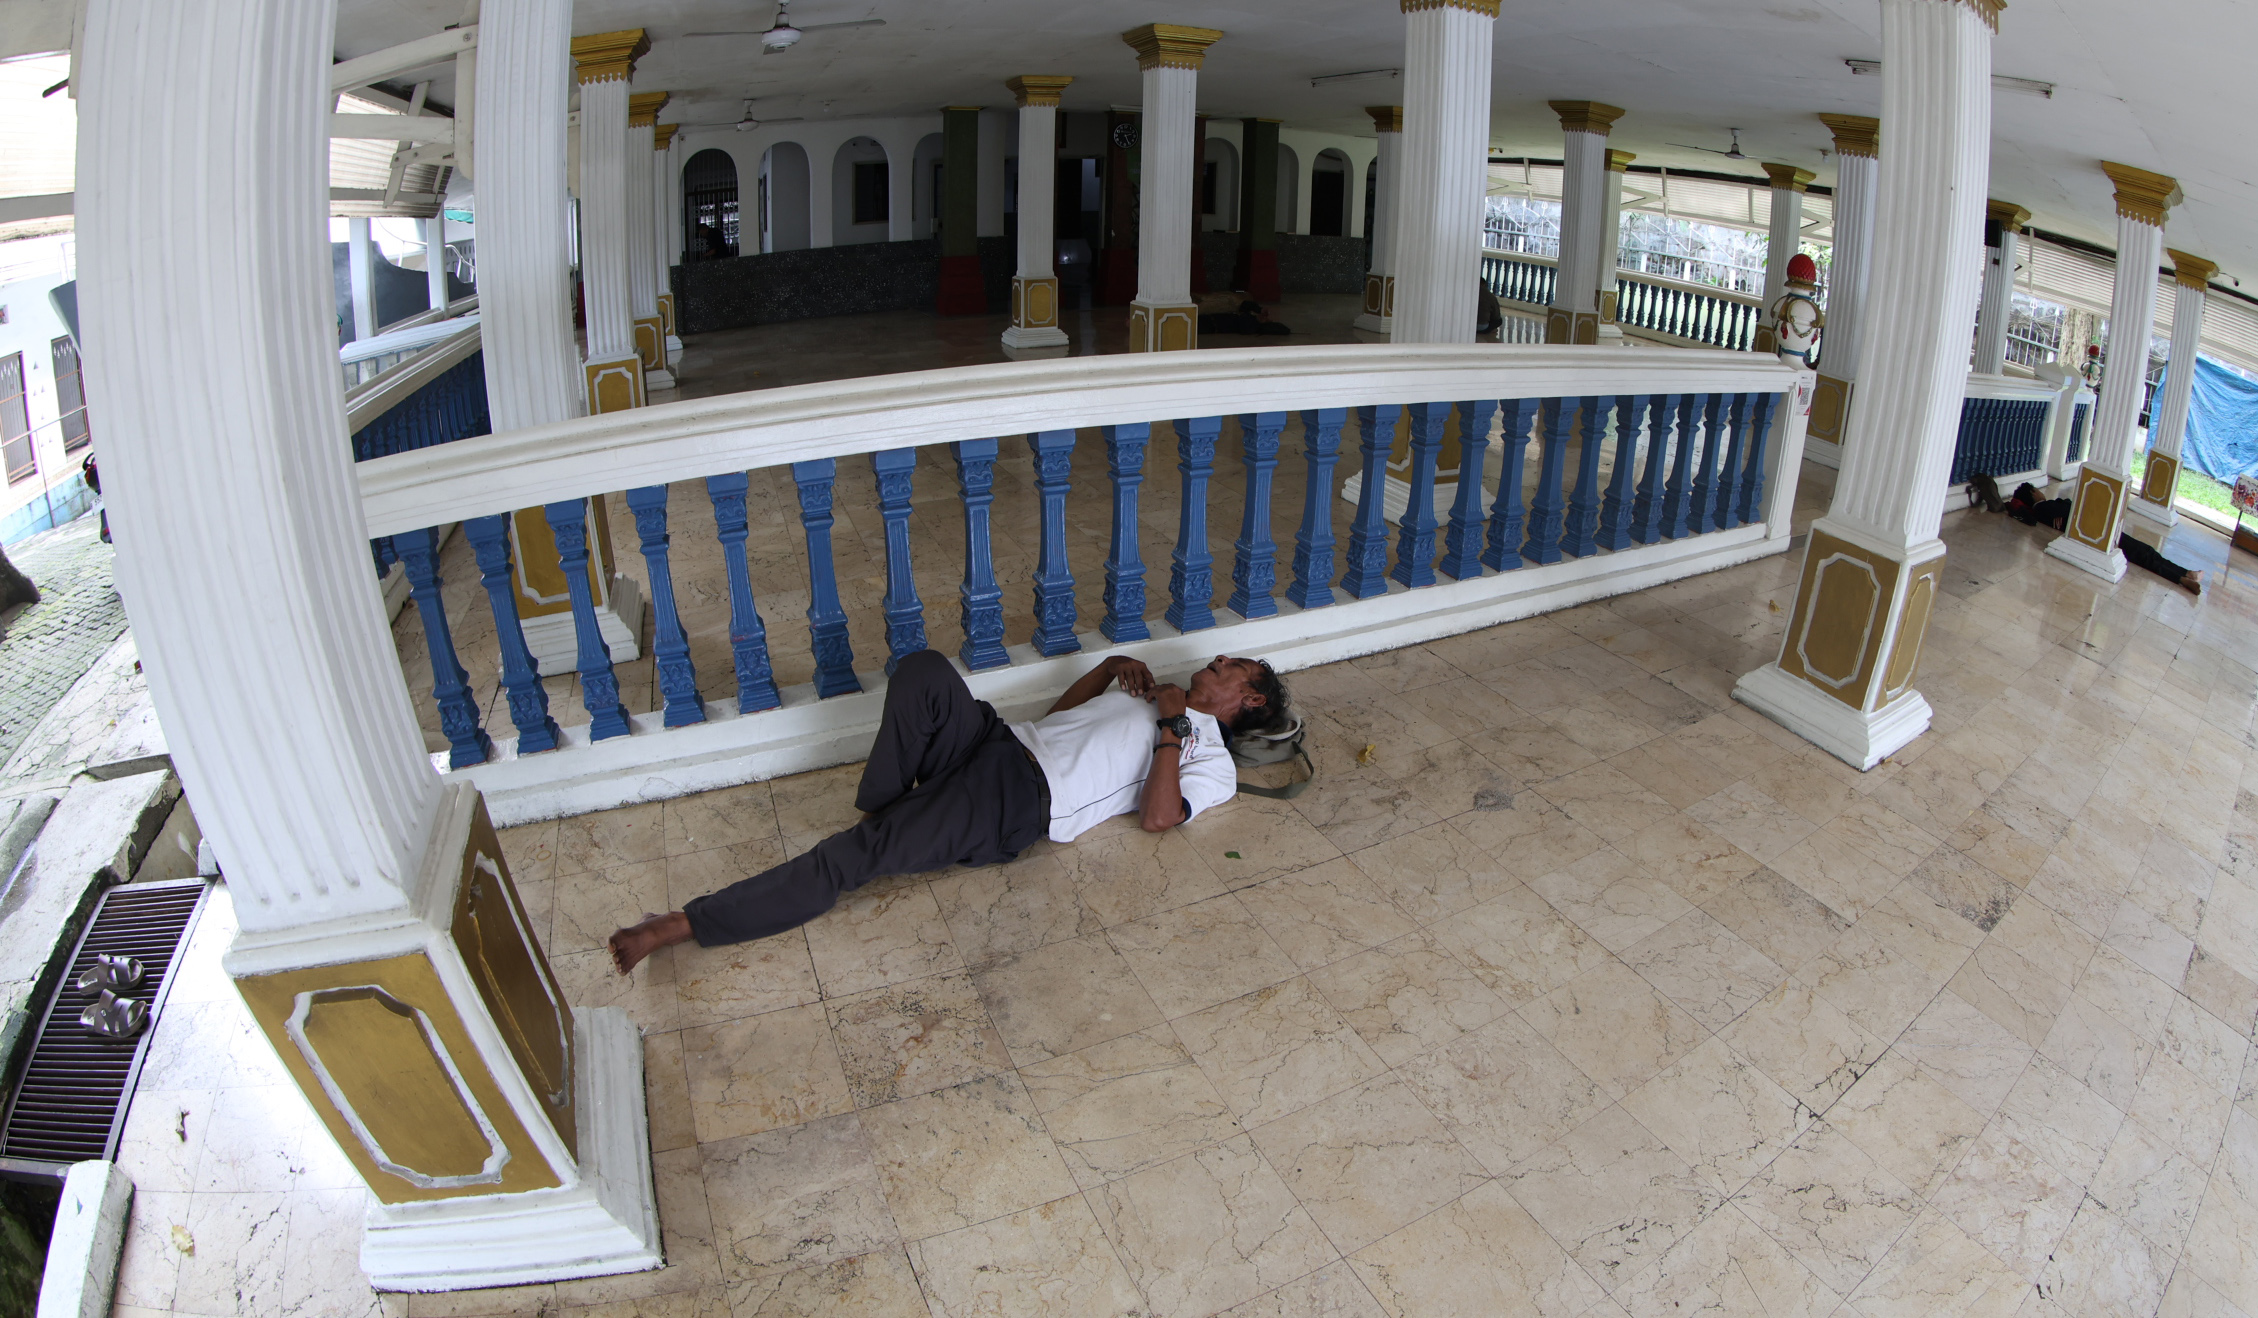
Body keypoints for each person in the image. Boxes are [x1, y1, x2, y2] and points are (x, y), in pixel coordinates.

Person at [607, 649, 1290, 973]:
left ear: (1251, 702)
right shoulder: (1160, 691)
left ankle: (680, 925)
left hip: (1019, 799)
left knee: (854, 858)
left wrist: (1171, 725)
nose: (1218, 659)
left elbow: (1160, 817)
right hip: (999, 742)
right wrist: (1113, 667)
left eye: (1234, 668)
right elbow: (1057, 721)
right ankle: (892, 807)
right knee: (925, 673)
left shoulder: (1214, 763)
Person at [1994, 478, 2205, 595]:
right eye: (2037, 491)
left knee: (2145, 553)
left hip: (2095, 531)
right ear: (2033, 494)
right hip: (2096, 532)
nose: (2041, 493)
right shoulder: (2045, 508)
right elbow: (2070, 511)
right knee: (2144, 554)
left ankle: (2185, 573)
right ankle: (2181, 577)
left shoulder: (2044, 509)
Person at [1198, 299, 1291, 337]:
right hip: (1210, 318)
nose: (1265, 317)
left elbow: (1243, 326)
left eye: (1267, 319)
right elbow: (1244, 304)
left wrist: (1257, 320)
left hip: (1210, 325)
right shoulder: (1251, 316)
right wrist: (1260, 309)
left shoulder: (1252, 327)